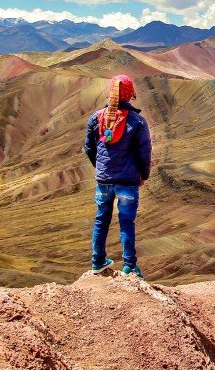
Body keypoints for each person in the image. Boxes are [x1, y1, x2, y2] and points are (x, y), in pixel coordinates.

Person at [83, 74, 151, 278]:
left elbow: (88, 147)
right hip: (128, 182)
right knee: (127, 222)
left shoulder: (96, 118)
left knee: (101, 220)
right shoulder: (137, 122)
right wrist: (143, 176)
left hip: (104, 181)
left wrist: (101, 167)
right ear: (130, 94)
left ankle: (97, 261)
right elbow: (144, 152)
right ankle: (130, 266)